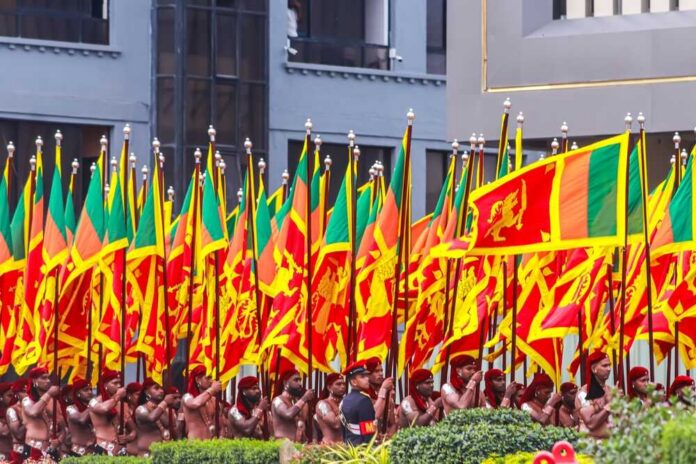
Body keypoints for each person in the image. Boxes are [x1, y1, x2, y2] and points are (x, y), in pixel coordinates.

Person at [22, 367, 63, 461]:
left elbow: (64, 428)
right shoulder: (26, 401)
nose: (48, 381)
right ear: (34, 380)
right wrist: (49, 393)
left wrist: (58, 441)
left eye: (48, 378)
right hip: (32, 449)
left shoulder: (54, 402)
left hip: (51, 450)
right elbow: (34, 412)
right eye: (43, 378)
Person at [88, 370, 132, 455]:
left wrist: (127, 438)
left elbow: (133, 430)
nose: (119, 386)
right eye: (115, 383)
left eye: (119, 383)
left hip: (120, 448)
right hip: (102, 447)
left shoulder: (122, 404)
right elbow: (104, 409)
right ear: (105, 385)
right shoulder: (94, 402)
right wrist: (118, 396)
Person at [134, 378, 177, 456]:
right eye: (156, 388)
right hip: (147, 454)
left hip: (165, 454)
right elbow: (152, 418)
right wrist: (165, 402)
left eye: (162, 388)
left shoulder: (166, 410)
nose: (161, 391)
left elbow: (175, 430)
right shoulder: (140, 409)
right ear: (147, 392)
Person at [577, 351, 613, 439]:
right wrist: (609, 406)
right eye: (604, 366)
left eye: (609, 365)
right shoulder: (584, 393)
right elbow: (591, 424)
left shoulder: (611, 390)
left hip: (612, 446)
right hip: (590, 446)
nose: (609, 369)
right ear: (593, 369)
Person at [271, 369, 314, 442]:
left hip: (297, 447)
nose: (300, 384)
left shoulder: (296, 402)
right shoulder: (277, 400)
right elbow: (288, 414)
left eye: (300, 380)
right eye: (296, 380)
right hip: (282, 446)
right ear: (285, 383)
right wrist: (304, 398)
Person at [340, 361, 377, 445]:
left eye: (367, 376)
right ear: (354, 382)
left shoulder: (344, 400)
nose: (367, 378)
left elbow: (344, 432)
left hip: (348, 449)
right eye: (362, 376)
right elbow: (368, 433)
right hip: (362, 450)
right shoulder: (364, 400)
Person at [182, 366, 222, 440]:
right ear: (197, 379)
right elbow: (195, 404)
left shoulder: (214, 400)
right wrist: (212, 389)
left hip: (211, 445)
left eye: (211, 378)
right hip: (194, 444)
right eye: (208, 378)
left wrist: (221, 439)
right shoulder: (187, 397)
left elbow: (221, 426)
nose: (211, 381)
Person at [364, 358, 396, 436]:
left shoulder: (387, 395)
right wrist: (375, 438)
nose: (381, 374)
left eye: (381, 370)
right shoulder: (363, 395)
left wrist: (388, 437)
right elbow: (373, 417)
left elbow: (393, 424)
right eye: (376, 371)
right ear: (367, 374)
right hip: (367, 442)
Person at [65, 377, 95, 457]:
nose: (90, 392)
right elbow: (81, 419)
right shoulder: (70, 409)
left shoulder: (94, 408)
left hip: (94, 452)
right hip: (78, 453)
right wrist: (93, 404)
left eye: (90, 389)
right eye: (86, 390)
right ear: (78, 393)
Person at [314, 373, 345, 443]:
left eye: (344, 384)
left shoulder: (345, 402)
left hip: (345, 448)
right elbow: (335, 424)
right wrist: (345, 407)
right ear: (329, 387)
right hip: (328, 448)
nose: (342, 386)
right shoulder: (322, 404)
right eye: (338, 384)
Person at [7, 379, 27, 464]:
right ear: (16, 394)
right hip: (19, 452)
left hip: (36, 450)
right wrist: (28, 418)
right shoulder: (12, 410)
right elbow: (19, 434)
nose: (27, 394)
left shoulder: (37, 408)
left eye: (28, 391)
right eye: (23, 391)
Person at [0, 382, 13, 462]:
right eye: (9, 396)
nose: (13, 399)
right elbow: (4, 431)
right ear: (1, 397)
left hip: (14, 456)